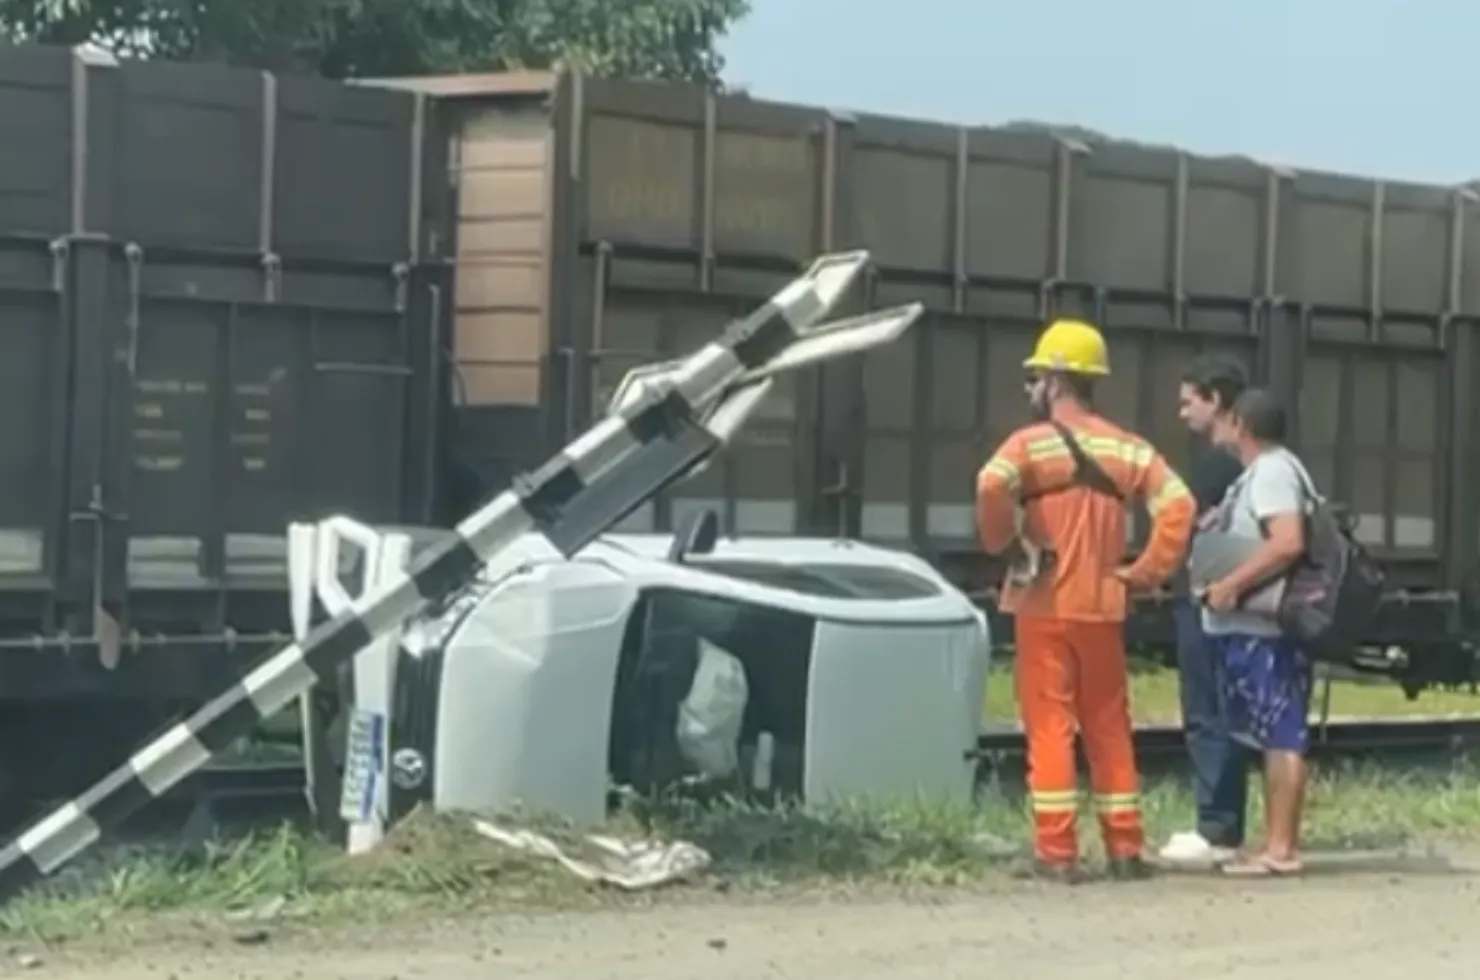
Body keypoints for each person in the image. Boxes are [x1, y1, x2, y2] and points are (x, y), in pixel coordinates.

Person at [975, 317, 1195, 882]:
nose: (1029, 391)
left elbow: (989, 484)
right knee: (1108, 726)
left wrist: (1006, 542)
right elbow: (1179, 505)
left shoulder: (1028, 444)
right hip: (1103, 606)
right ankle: (1124, 849)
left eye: (1034, 379)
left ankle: (1057, 853)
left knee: (1049, 727)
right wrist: (1146, 571)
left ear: (1055, 380)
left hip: (1043, 608)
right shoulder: (1129, 449)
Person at [1194, 388, 1313, 877]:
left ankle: (1281, 849)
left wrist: (1229, 585)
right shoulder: (1266, 472)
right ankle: (1275, 843)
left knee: (1281, 733)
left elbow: (1287, 542)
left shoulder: (1272, 472)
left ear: (1240, 424)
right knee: (1270, 732)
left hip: (1265, 631)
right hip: (1250, 629)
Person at [1158, 356, 1250, 867]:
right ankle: (1222, 825)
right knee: (1223, 712)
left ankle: (1215, 828)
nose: (1183, 412)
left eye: (1189, 400)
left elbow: (1188, 525)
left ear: (1215, 399)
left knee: (1206, 712)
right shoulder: (1244, 460)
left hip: (1204, 599)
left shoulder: (1218, 463)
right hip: (1223, 600)